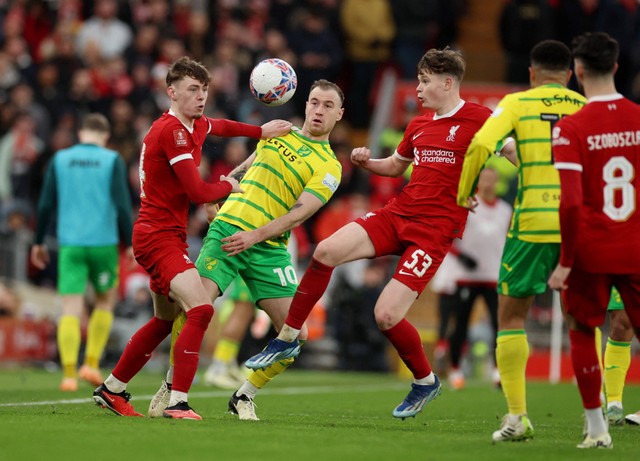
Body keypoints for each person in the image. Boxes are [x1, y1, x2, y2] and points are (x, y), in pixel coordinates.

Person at [245, 48, 498, 420]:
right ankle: (285, 338)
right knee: (325, 251)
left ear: (447, 83)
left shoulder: (480, 118)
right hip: (399, 214)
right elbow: (397, 166)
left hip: (434, 232)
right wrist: (367, 163)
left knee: (386, 316)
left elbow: (511, 150)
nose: (419, 87)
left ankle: (425, 380)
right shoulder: (418, 124)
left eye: (425, 81)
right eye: (419, 79)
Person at [92, 56, 291, 419]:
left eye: (204, 90)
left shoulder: (193, 124)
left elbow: (223, 126)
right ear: (171, 92)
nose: (201, 97)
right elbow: (199, 191)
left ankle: (112, 388)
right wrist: (229, 185)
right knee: (200, 309)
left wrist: (260, 132)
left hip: (165, 234)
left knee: (164, 322)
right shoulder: (171, 131)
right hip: (157, 237)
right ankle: (178, 402)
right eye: (192, 90)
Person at [147, 79, 345, 421]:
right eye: (314, 102)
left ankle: (244, 394)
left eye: (328, 105)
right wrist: (215, 197)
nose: (318, 110)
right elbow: (245, 167)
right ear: (305, 104)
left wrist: (256, 236)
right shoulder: (280, 132)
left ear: (339, 114)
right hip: (229, 229)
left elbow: (301, 211)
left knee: (296, 334)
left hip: (268, 247)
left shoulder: (330, 166)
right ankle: (170, 388)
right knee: (197, 306)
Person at [456, 39, 586, 442]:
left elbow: (480, 143)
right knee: (583, 320)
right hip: (579, 225)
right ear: (570, 75)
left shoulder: (516, 103)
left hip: (531, 224)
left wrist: (464, 192)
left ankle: (517, 417)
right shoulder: (586, 108)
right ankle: (600, 413)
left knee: (512, 317)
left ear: (531, 73)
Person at [549, 31, 640, 449]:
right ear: (616, 67)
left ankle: (597, 429)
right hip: (636, 246)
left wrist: (565, 260)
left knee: (582, 331)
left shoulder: (571, 128)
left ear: (578, 71)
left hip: (589, 251)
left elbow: (570, 204)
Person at [30, 113, 133, 392]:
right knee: (103, 302)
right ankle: (90, 362)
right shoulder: (112, 160)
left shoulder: (60, 159)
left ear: (81, 134)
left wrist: (38, 242)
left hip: (70, 244)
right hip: (103, 243)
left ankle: (67, 374)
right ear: (106, 136)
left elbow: (45, 204)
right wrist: (132, 242)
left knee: (70, 308)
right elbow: (123, 206)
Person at [433, 166, 512, 390]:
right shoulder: (467, 205)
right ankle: (455, 368)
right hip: (465, 277)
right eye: (484, 178)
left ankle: (498, 370)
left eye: (491, 178)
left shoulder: (505, 210)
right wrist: (463, 257)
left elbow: (508, 240)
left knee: (499, 325)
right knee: (461, 325)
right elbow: (447, 236)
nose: (488, 182)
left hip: (492, 276)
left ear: (496, 181)